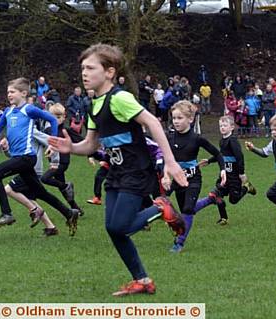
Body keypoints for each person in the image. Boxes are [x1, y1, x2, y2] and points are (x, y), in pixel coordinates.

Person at [48, 43, 188, 296]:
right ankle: (143, 281)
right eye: (82, 68)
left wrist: (170, 161)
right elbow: (90, 144)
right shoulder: (93, 105)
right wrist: (71, 147)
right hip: (116, 172)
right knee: (113, 229)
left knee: (120, 226)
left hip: (136, 170)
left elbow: (153, 122)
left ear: (109, 72)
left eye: (91, 68)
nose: (84, 73)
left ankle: (159, 207)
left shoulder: (120, 98)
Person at [0, 78, 80, 237]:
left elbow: (52, 120)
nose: (9, 94)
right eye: (8, 92)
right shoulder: (8, 112)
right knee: (40, 192)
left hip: (27, 157)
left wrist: (53, 143)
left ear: (24, 93)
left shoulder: (29, 109)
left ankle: (7, 213)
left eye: (12, 91)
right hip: (21, 159)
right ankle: (69, 213)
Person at [167, 100, 225, 253]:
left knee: (187, 210)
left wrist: (223, 170)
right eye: (174, 118)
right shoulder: (170, 138)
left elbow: (218, 154)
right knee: (183, 210)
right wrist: (165, 174)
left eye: (179, 118)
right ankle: (211, 199)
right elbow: (164, 157)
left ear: (190, 119)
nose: (176, 121)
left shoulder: (197, 138)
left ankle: (179, 242)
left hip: (193, 179)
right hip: (178, 179)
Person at [192, 116, 256, 224]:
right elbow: (221, 156)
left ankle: (246, 187)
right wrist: (209, 161)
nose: (222, 127)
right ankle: (223, 218)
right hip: (224, 175)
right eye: (221, 125)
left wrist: (241, 173)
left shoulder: (233, 141)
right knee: (216, 195)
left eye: (225, 125)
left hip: (234, 177)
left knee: (233, 200)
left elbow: (240, 157)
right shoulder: (222, 141)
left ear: (232, 127)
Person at [40, 103, 84, 215]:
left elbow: (82, 141)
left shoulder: (66, 130)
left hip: (63, 162)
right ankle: (76, 208)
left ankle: (66, 186)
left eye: (59, 117)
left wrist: (91, 155)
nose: (57, 120)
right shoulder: (48, 130)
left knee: (45, 179)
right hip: (53, 162)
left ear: (64, 117)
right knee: (62, 188)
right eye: (54, 117)